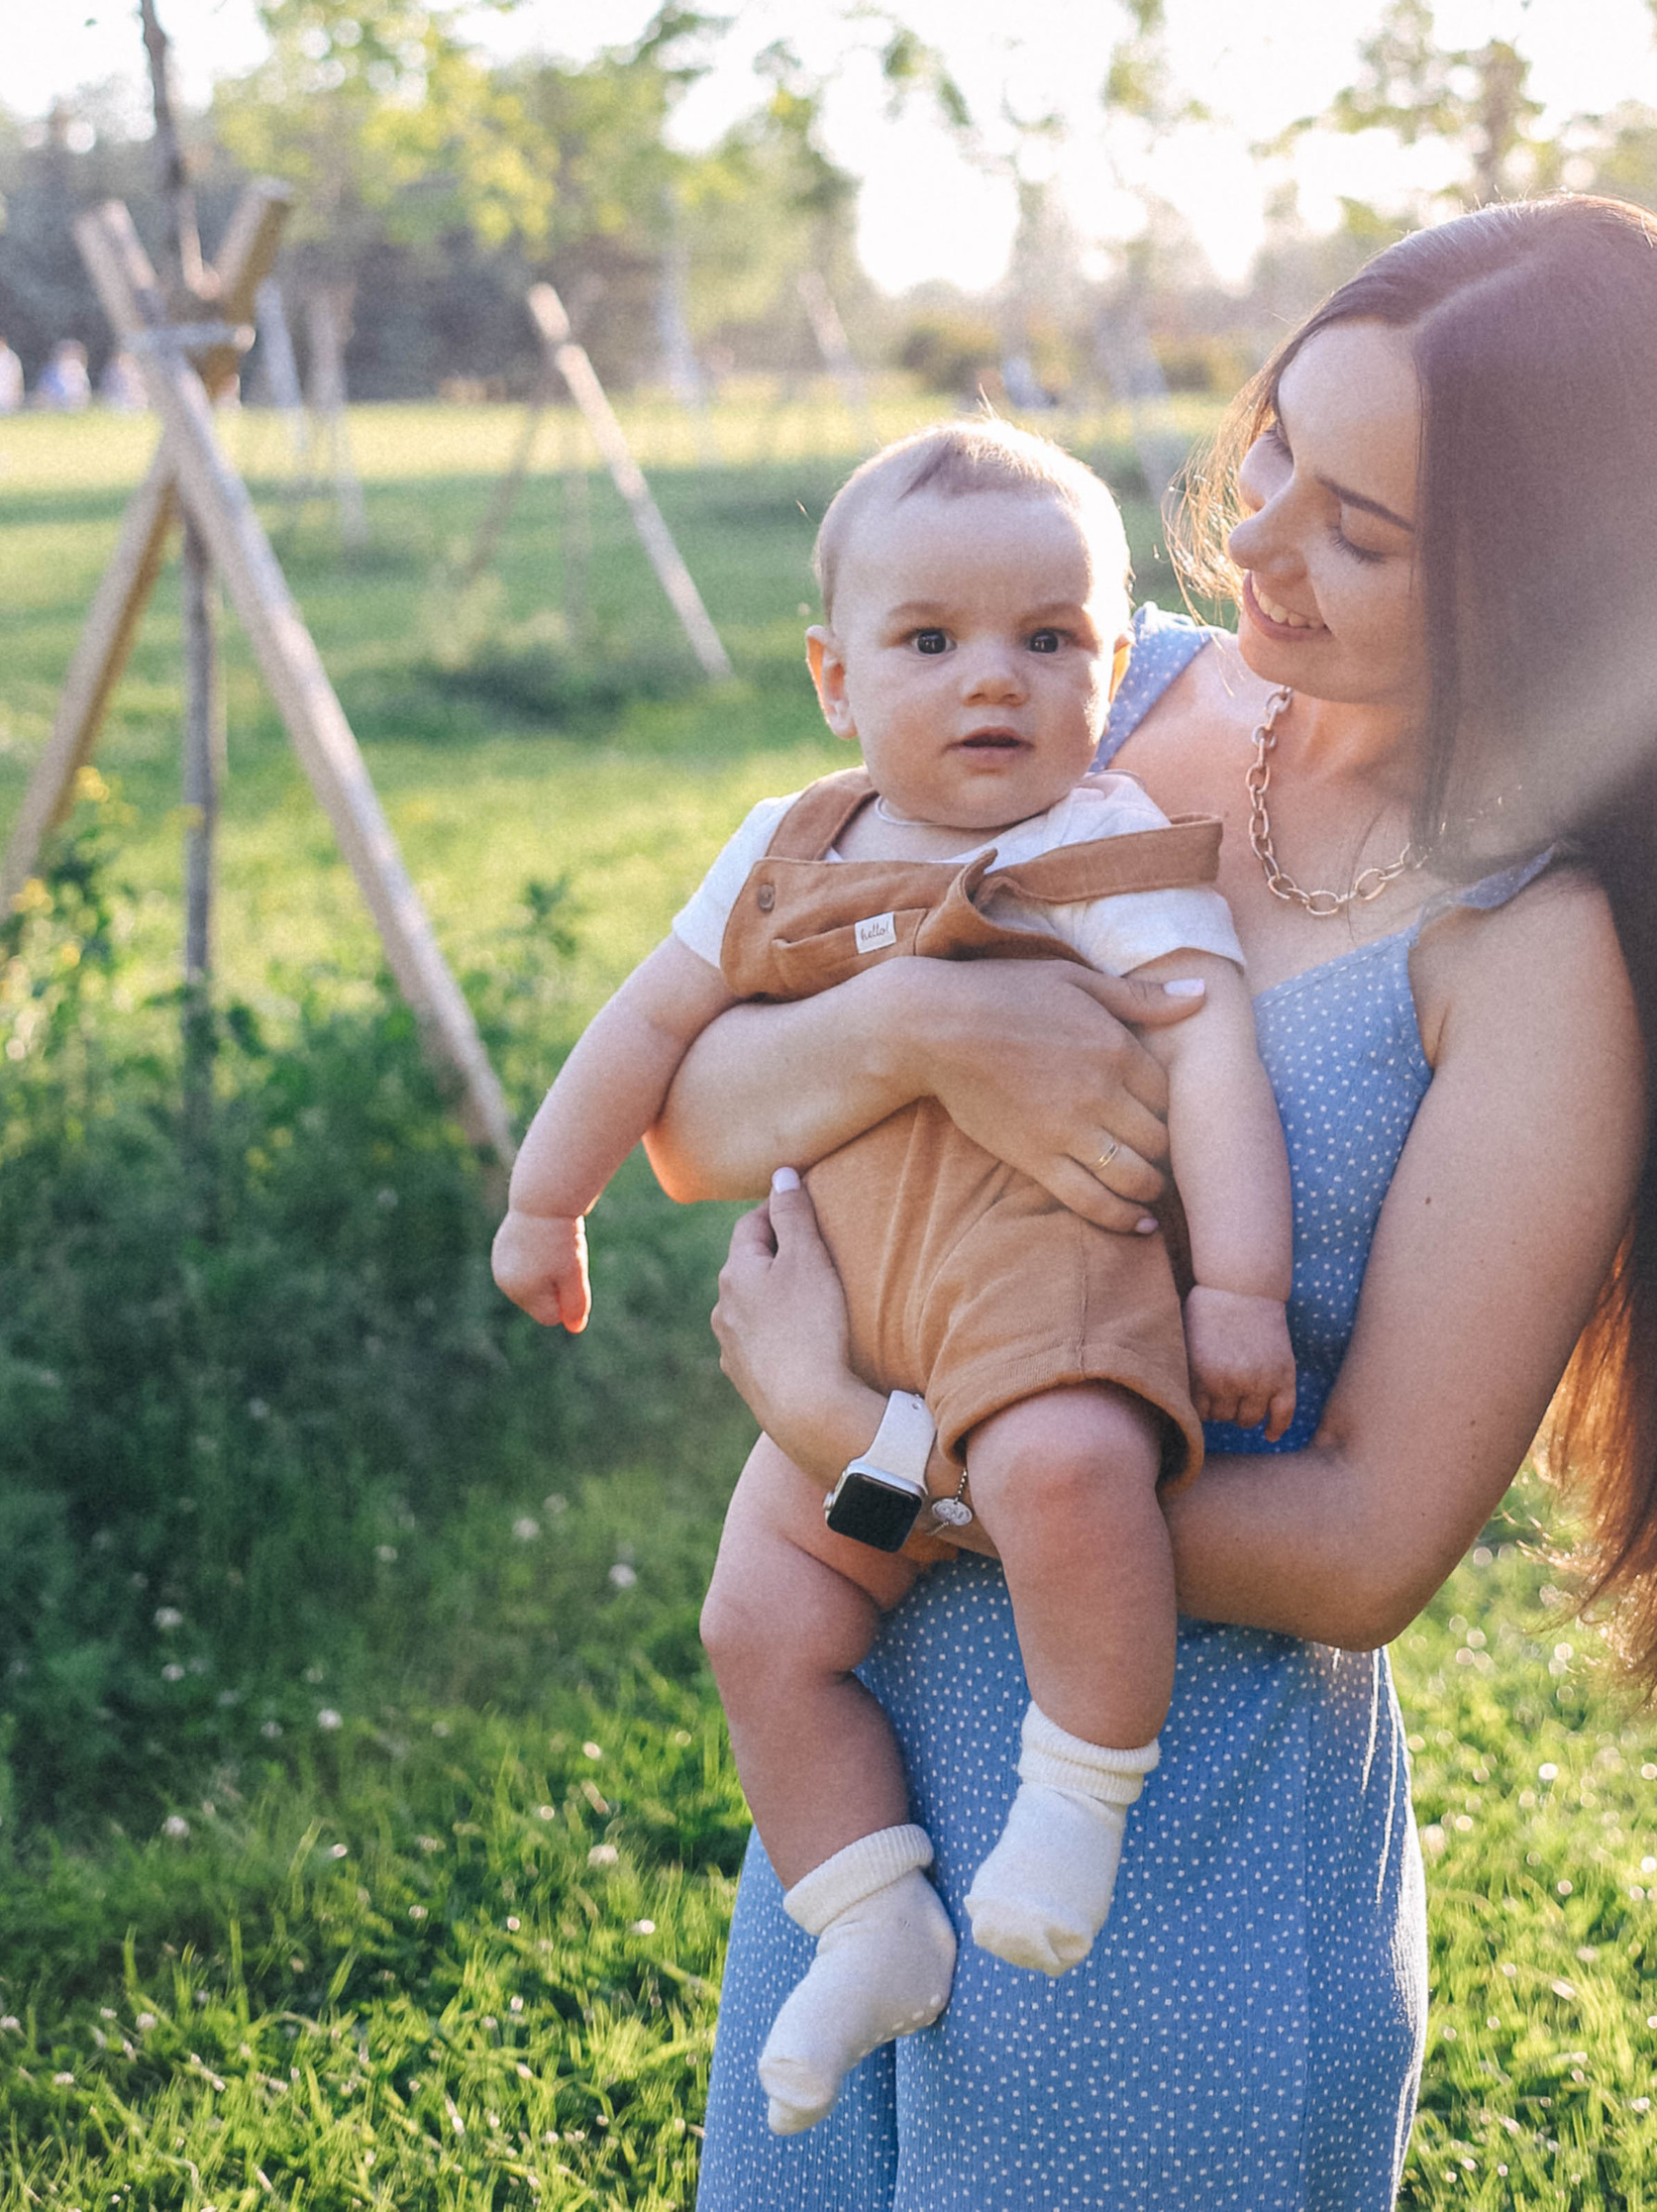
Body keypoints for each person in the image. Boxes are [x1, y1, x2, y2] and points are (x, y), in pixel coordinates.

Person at [650, 197, 1657, 2212]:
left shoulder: (1535, 948)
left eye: (1362, 533)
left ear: (1543, 583)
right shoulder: (1102, 705)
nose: (1262, 541)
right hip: (863, 1781)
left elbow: (1362, 1547)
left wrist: (867, 1459)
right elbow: (692, 1117)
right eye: (1278, 446)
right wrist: (916, 1047)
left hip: (1169, 1874)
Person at [492, 423, 1295, 2138]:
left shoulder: (1104, 842)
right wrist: (543, 1202)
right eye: (929, 642)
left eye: (1049, 639)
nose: (990, 682)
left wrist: (1235, 1290)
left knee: (1072, 1473)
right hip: (839, 1309)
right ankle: (869, 1918)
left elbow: (1211, 1054)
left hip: (1037, 1311)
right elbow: (649, 1026)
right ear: (834, 675)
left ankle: (1080, 1790)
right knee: (759, 1623)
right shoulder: (786, 843)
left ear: (1116, 654)